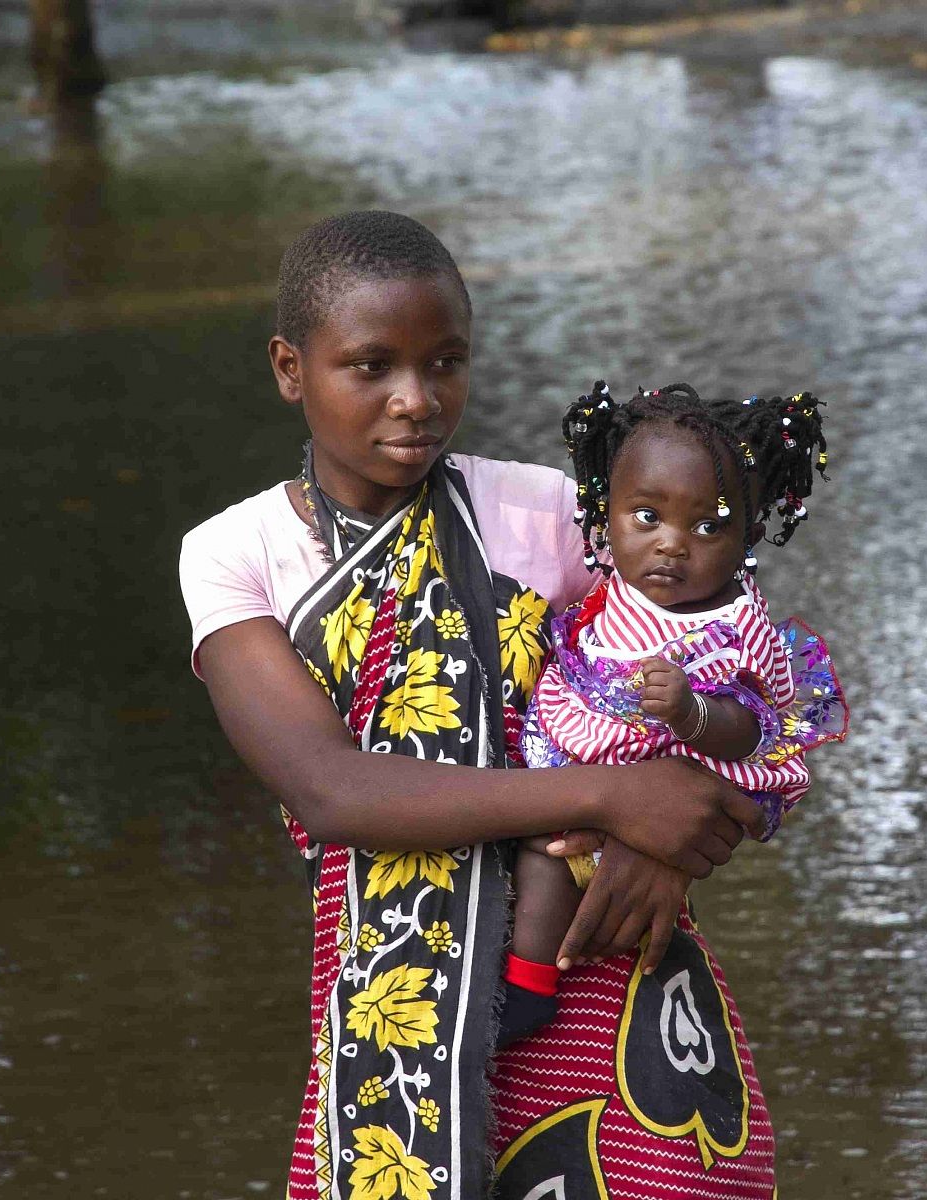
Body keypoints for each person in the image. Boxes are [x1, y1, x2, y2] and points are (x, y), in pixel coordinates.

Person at [178, 210, 785, 1200]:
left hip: (594, 951)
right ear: (291, 368)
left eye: (445, 363)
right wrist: (608, 799)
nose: (416, 399)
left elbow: (723, 663)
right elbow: (330, 790)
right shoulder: (233, 554)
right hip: (392, 1004)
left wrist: (661, 842)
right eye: (370, 366)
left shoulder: (542, 509)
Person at [502, 380, 850, 1053]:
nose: (672, 544)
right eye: (647, 517)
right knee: (538, 858)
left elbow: (756, 727)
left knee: (552, 866)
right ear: (605, 516)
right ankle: (525, 980)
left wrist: (693, 714)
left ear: (749, 534)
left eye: (708, 526)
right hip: (584, 756)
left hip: (672, 779)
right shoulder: (615, 586)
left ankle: (529, 988)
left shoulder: (735, 627)